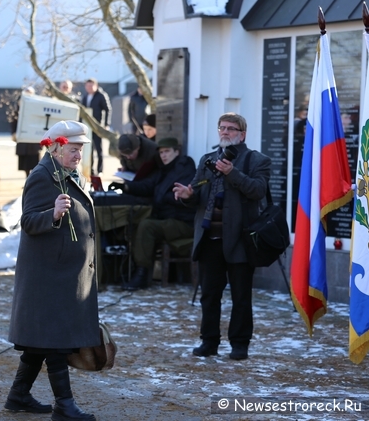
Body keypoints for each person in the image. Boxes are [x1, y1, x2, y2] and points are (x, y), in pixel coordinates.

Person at [5, 120, 98, 421]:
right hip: (48, 277)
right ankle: (64, 406)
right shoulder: (42, 176)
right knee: (55, 342)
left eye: (81, 149)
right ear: (57, 147)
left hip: (63, 274)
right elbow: (29, 221)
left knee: (40, 342)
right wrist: (53, 214)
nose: (78, 155)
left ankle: (18, 396)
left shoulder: (68, 174)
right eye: (73, 149)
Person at [173, 113, 271, 361]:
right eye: (222, 128)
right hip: (209, 239)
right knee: (209, 295)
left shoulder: (256, 160)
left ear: (243, 133)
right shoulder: (207, 159)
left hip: (240, 241)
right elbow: (196, 192)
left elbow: (258, 191)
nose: (225, 132)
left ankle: (239, 345)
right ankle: (209, 342)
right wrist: (187, 195)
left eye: (231, 128)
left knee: (240, 296)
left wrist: (232, 173)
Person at [112, 138, 196, 290]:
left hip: (183, 222)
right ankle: (133, 271)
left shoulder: (184, 168)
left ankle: (142, 275)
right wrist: (125, 186)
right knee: (136, 224)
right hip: (169, 220)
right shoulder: (164, 170)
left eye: (167, 151)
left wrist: (163, 198)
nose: (164, 155)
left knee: (147, 226)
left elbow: (180, 196)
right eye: (161, 152)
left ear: (176, 151)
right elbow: (147, 186)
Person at [81, 78, 111, 176]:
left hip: (98, 127)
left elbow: (108, 110)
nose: (89, 88)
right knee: (89, 149)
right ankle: (91, 170)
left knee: (99, 149)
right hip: (87, 127)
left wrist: (106, 124)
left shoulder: (101, 96)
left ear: (96, 86)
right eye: (87, 86)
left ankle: (100, 170)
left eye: (91, 86)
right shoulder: (85, 97)